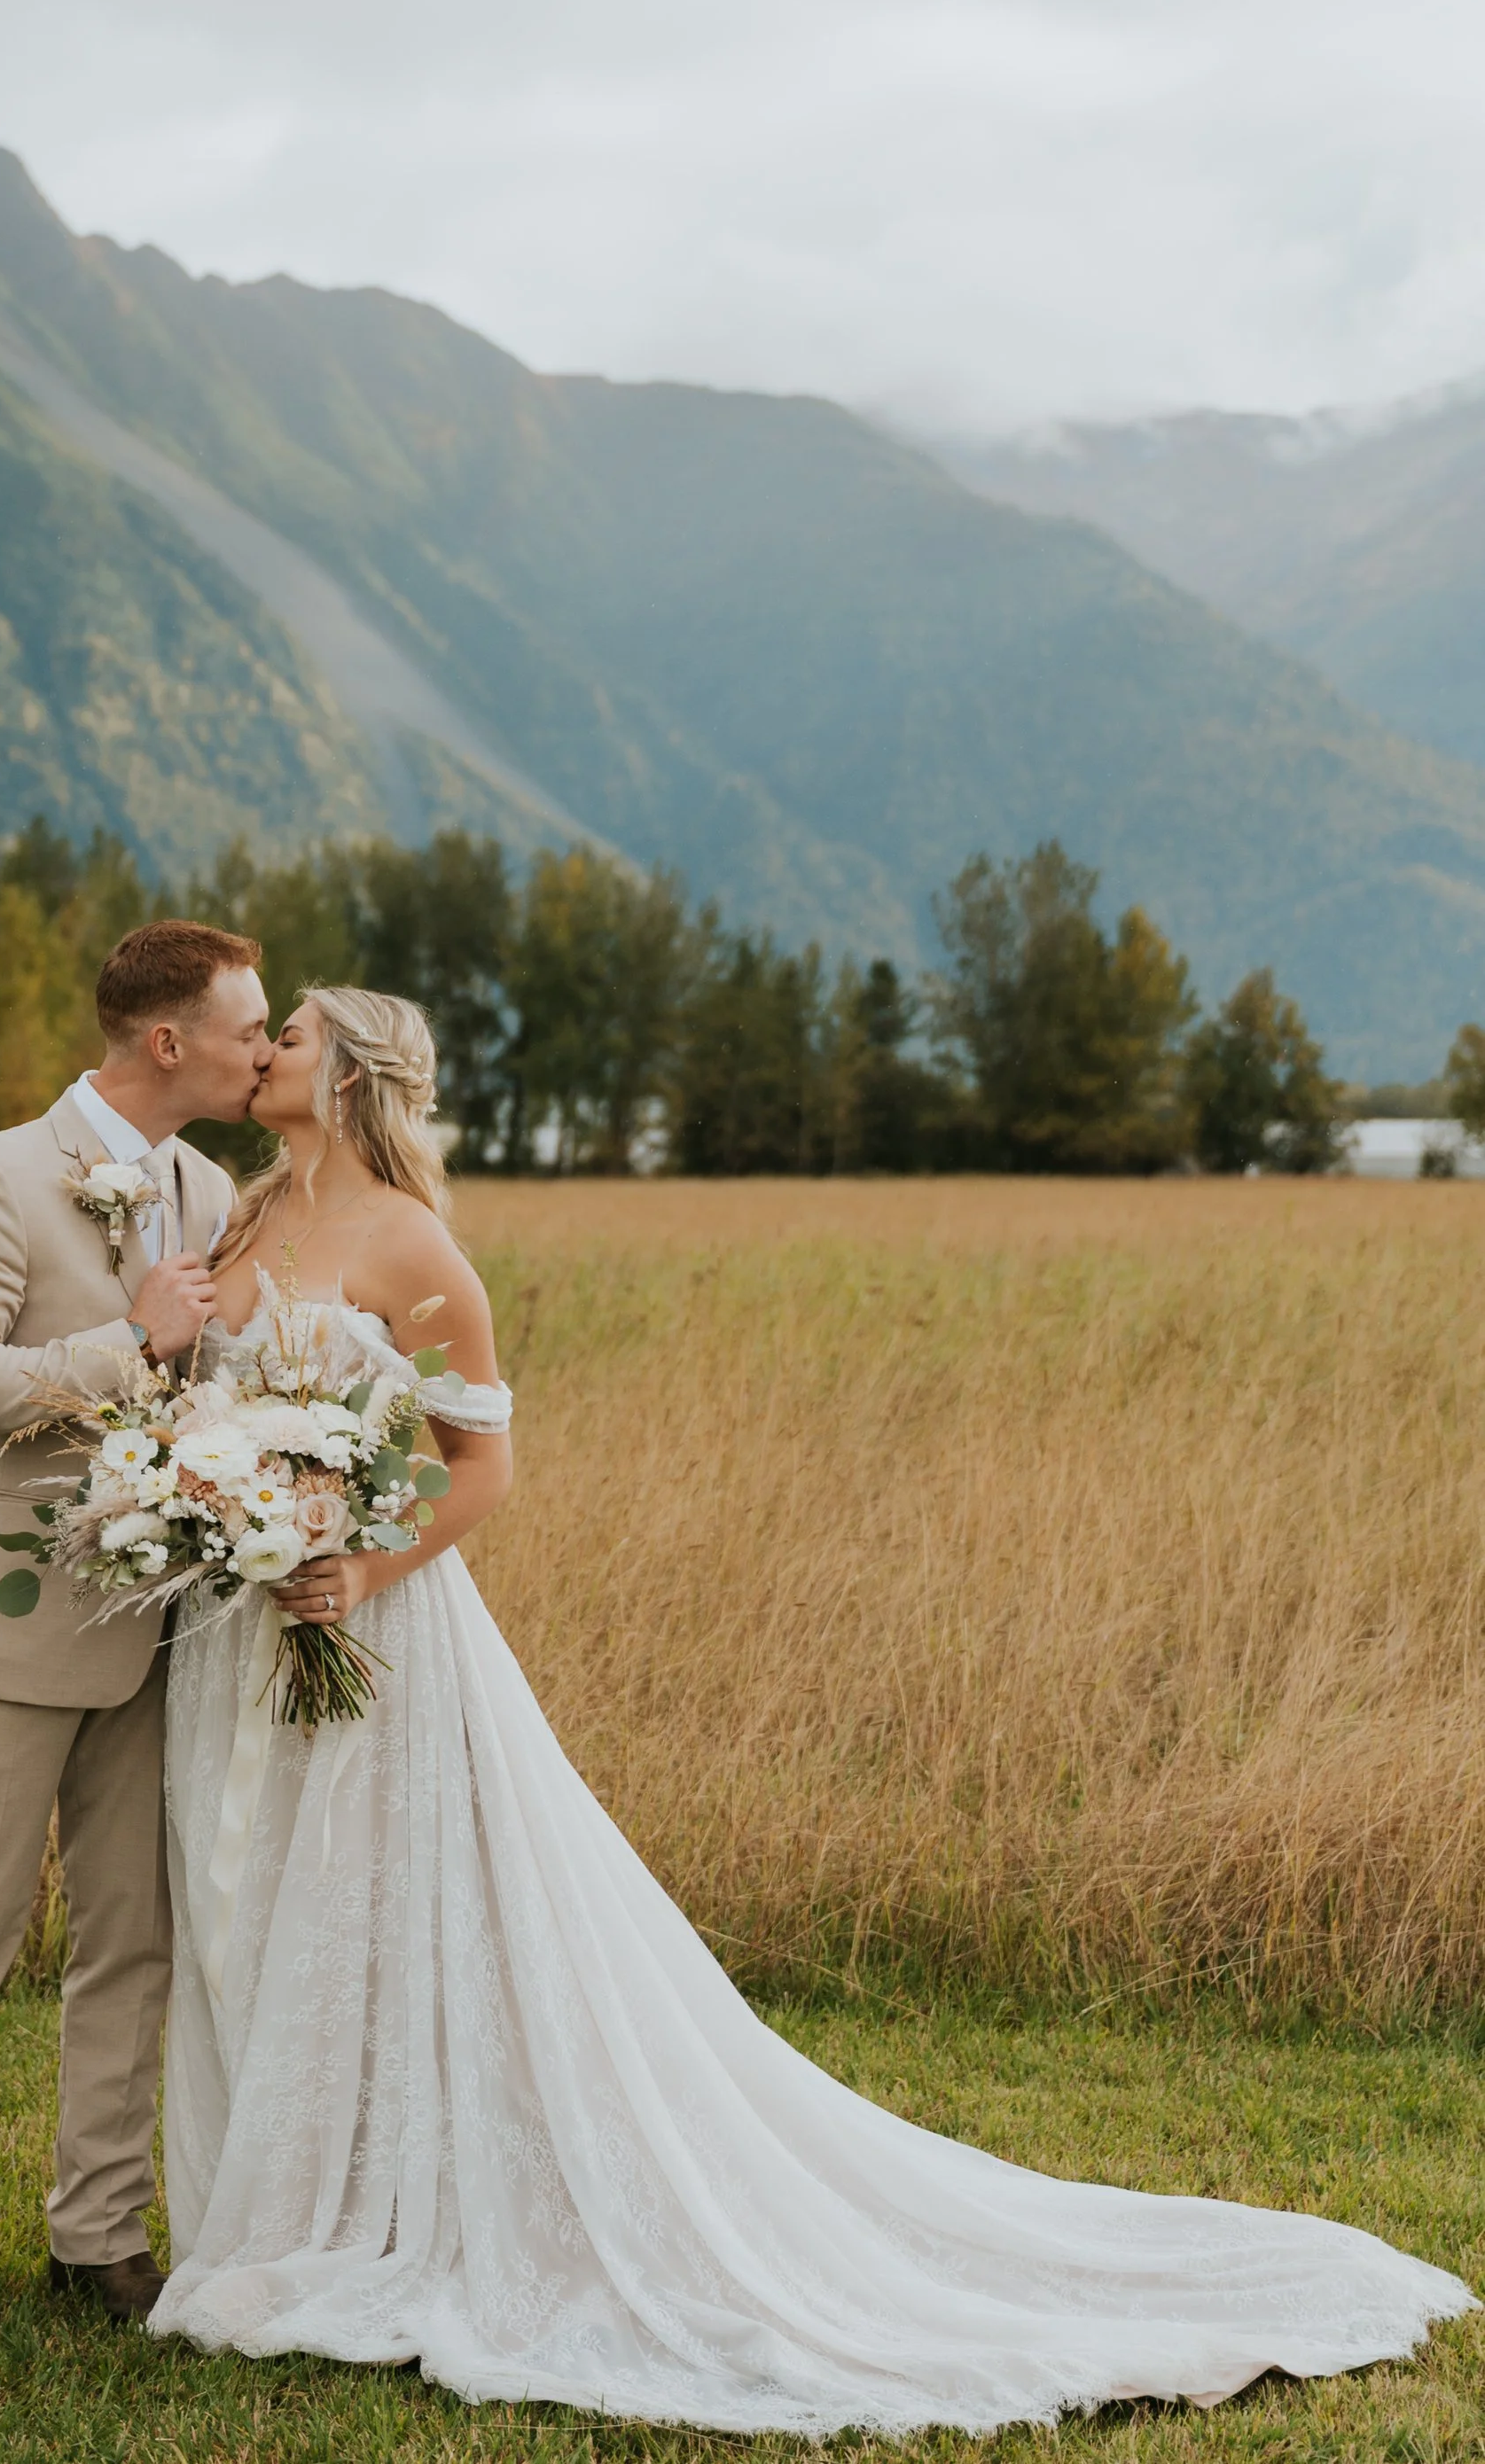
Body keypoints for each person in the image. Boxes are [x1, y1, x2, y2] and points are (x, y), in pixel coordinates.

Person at [152, 983, 1472, 2437]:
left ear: (347, 1075)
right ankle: (292, 2207)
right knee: (267, 1903)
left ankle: (395, 2214)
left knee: (383, 1908)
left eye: (292, 1036)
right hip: (234, 1633)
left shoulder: (418, 1250)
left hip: (371, 1628)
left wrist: (360, 1563)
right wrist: (207, 1491)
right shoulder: (240, 1220)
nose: (265, 1049)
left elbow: (483, 1469)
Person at [0, 917, 270, 2353]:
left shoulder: (212, 1185)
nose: (263, 1048)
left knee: (133, 1946)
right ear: (168, 1040)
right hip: (9, 1626)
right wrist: (134, 1343)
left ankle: (100, 2237)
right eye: (247, 1026)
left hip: (160, 1628)